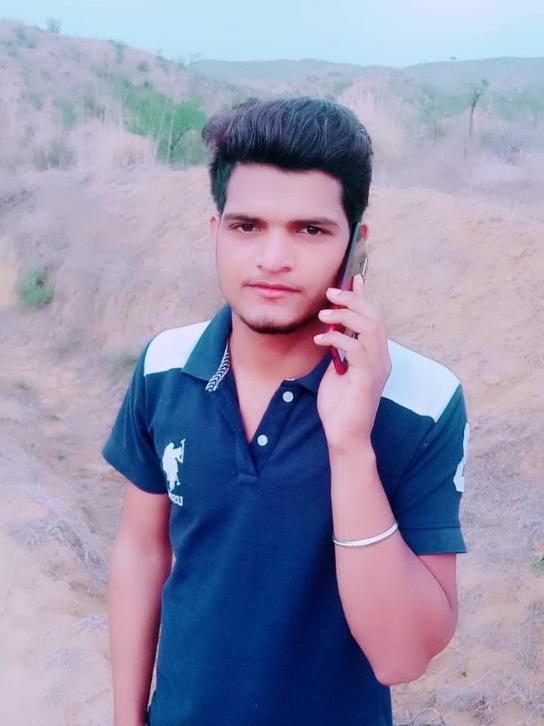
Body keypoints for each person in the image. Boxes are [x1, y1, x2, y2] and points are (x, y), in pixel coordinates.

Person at [102, 96, 470, 726]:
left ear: (356, 244)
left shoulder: (422, 402)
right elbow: (142, 552)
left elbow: (402, 657)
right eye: (247, 227)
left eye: (311, 230)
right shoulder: (166, 366)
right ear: (216, 231)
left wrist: (350, 444)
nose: (273, 258)